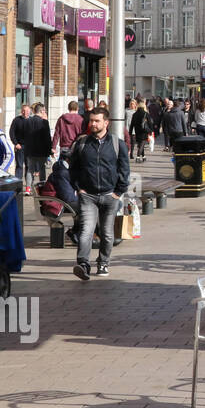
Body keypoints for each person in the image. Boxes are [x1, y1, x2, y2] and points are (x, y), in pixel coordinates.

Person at [69, 105, 130, 280]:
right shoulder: (82, 143)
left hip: (110, 195)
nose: (93, 124)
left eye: (97, 121)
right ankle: (83, 264)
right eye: (91, 121)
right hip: (87, 195)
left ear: (106, 122)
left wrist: (119, 191)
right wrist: (78, 187)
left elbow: (124, 169)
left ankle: (103, 262)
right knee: (86, 231)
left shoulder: (117, 144)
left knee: (107, 233)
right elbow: (72, 168)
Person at [23, 103, 52, 189]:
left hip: (30, 150)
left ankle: (28, 188)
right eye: (44, 111)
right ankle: (42, 187)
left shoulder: (28, 121)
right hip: (42, 151)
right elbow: (47, 137)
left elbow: (25, 135)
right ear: (42, 111)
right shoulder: (44, 122)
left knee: (30, 170)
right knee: (42, 169)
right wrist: (49, 150)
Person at [9, 104, 33, 184]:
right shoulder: (16, 120)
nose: (24, 112)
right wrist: (15, 143)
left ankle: (28, 185)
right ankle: (17, 184)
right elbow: (11, 132)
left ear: (29, 111)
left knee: (29, 166)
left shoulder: (32, 121)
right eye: (23, 110)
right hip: (19, 146)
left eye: (26, 111)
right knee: (19, 166)